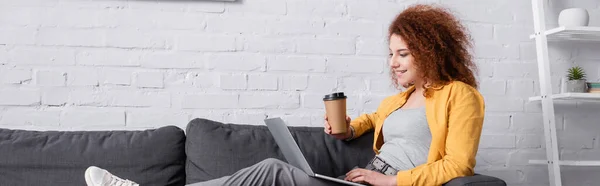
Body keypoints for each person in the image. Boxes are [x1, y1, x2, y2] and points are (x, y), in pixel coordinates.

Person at [84, 4, 484, 186]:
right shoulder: (397, 101)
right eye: (391, 53)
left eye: (402, 53)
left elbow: (458, 167)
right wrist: (342, 129)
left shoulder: (460, 96)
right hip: (364, 181)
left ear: (430, 50)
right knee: (266, 169)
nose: (393, 62)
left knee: (273, 170)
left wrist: (392, 182)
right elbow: (367, 123)